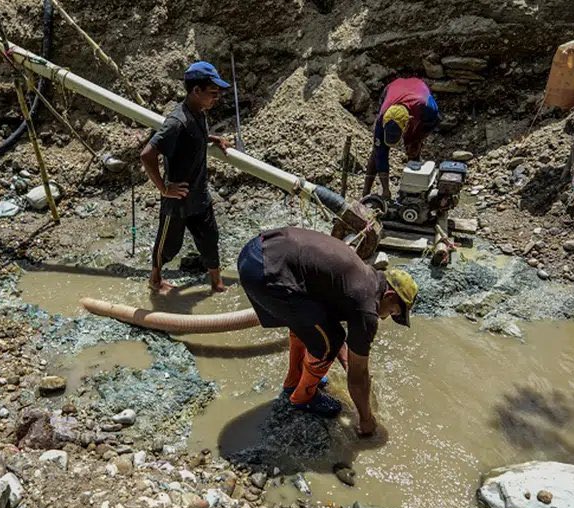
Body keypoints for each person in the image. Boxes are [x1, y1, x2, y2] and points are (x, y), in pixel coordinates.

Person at [237, 227, 419, 437]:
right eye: (393, 311)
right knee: (329, 343)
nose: (386, 317)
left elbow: (327, 324)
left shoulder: (359, 278)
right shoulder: (367, 306)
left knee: (312, 326)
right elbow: (358, 377)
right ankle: (303, 398)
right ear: (388, 295)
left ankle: (293, 382)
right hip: (269, 273)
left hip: (256, 253)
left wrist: (349, 362)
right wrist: (367, 419)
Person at [140, 61, 231, 295]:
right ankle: (155, 279)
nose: (216, 98)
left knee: (210, 239)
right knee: (168, 245)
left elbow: (194, 137)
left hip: (199, 195)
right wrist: (163, 188)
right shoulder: (176, 122)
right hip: (177, 199)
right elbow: (147, 154)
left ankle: (217, 284)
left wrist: (213, 139)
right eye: (213, 93)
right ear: (196, 91)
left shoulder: (198, 112)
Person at [362, 77, 441, 199]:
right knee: (378, 150)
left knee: (413, 147)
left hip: (417, 89)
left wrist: (417, 140)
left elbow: (434, 122)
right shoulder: (382, 119)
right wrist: (386, 190)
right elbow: (381, 154)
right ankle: (365, 194)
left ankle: (414, 191)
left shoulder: (428, 108)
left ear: (408, 123)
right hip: (392, 89)